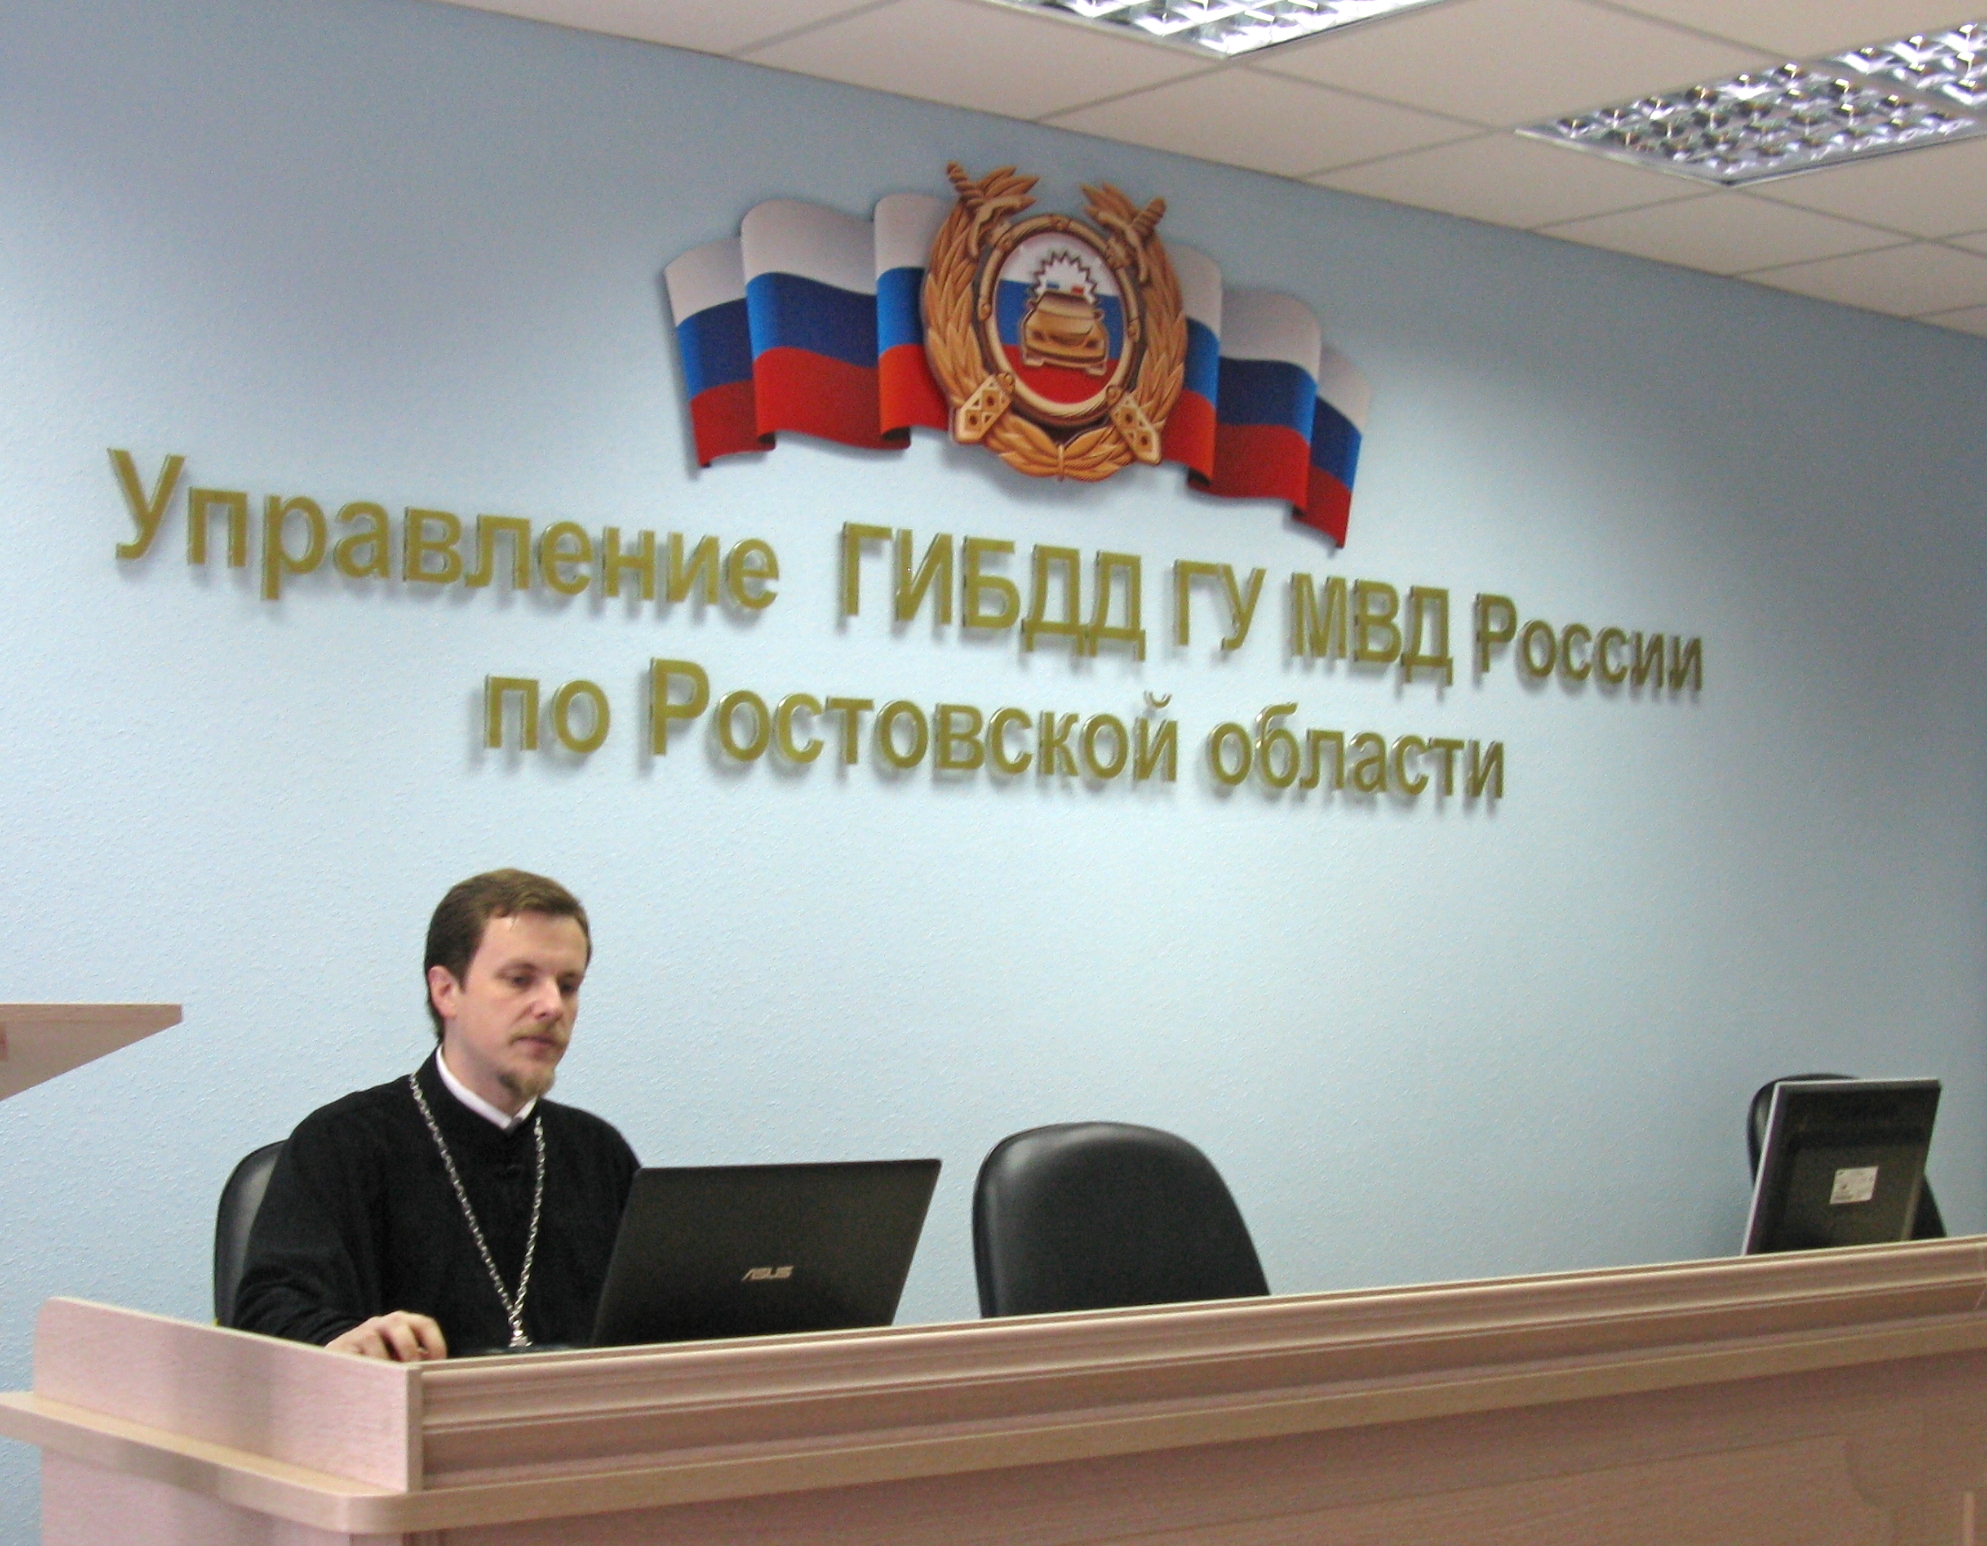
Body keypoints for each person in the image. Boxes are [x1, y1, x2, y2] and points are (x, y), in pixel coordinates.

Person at [232, 870, 639, 1360]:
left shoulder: (599, 1153)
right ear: (446, 991)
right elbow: (270, 1314)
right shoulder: (341, 1144)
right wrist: (343, 1340)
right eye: (520, 980)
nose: (552, 1006)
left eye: (568, 985)